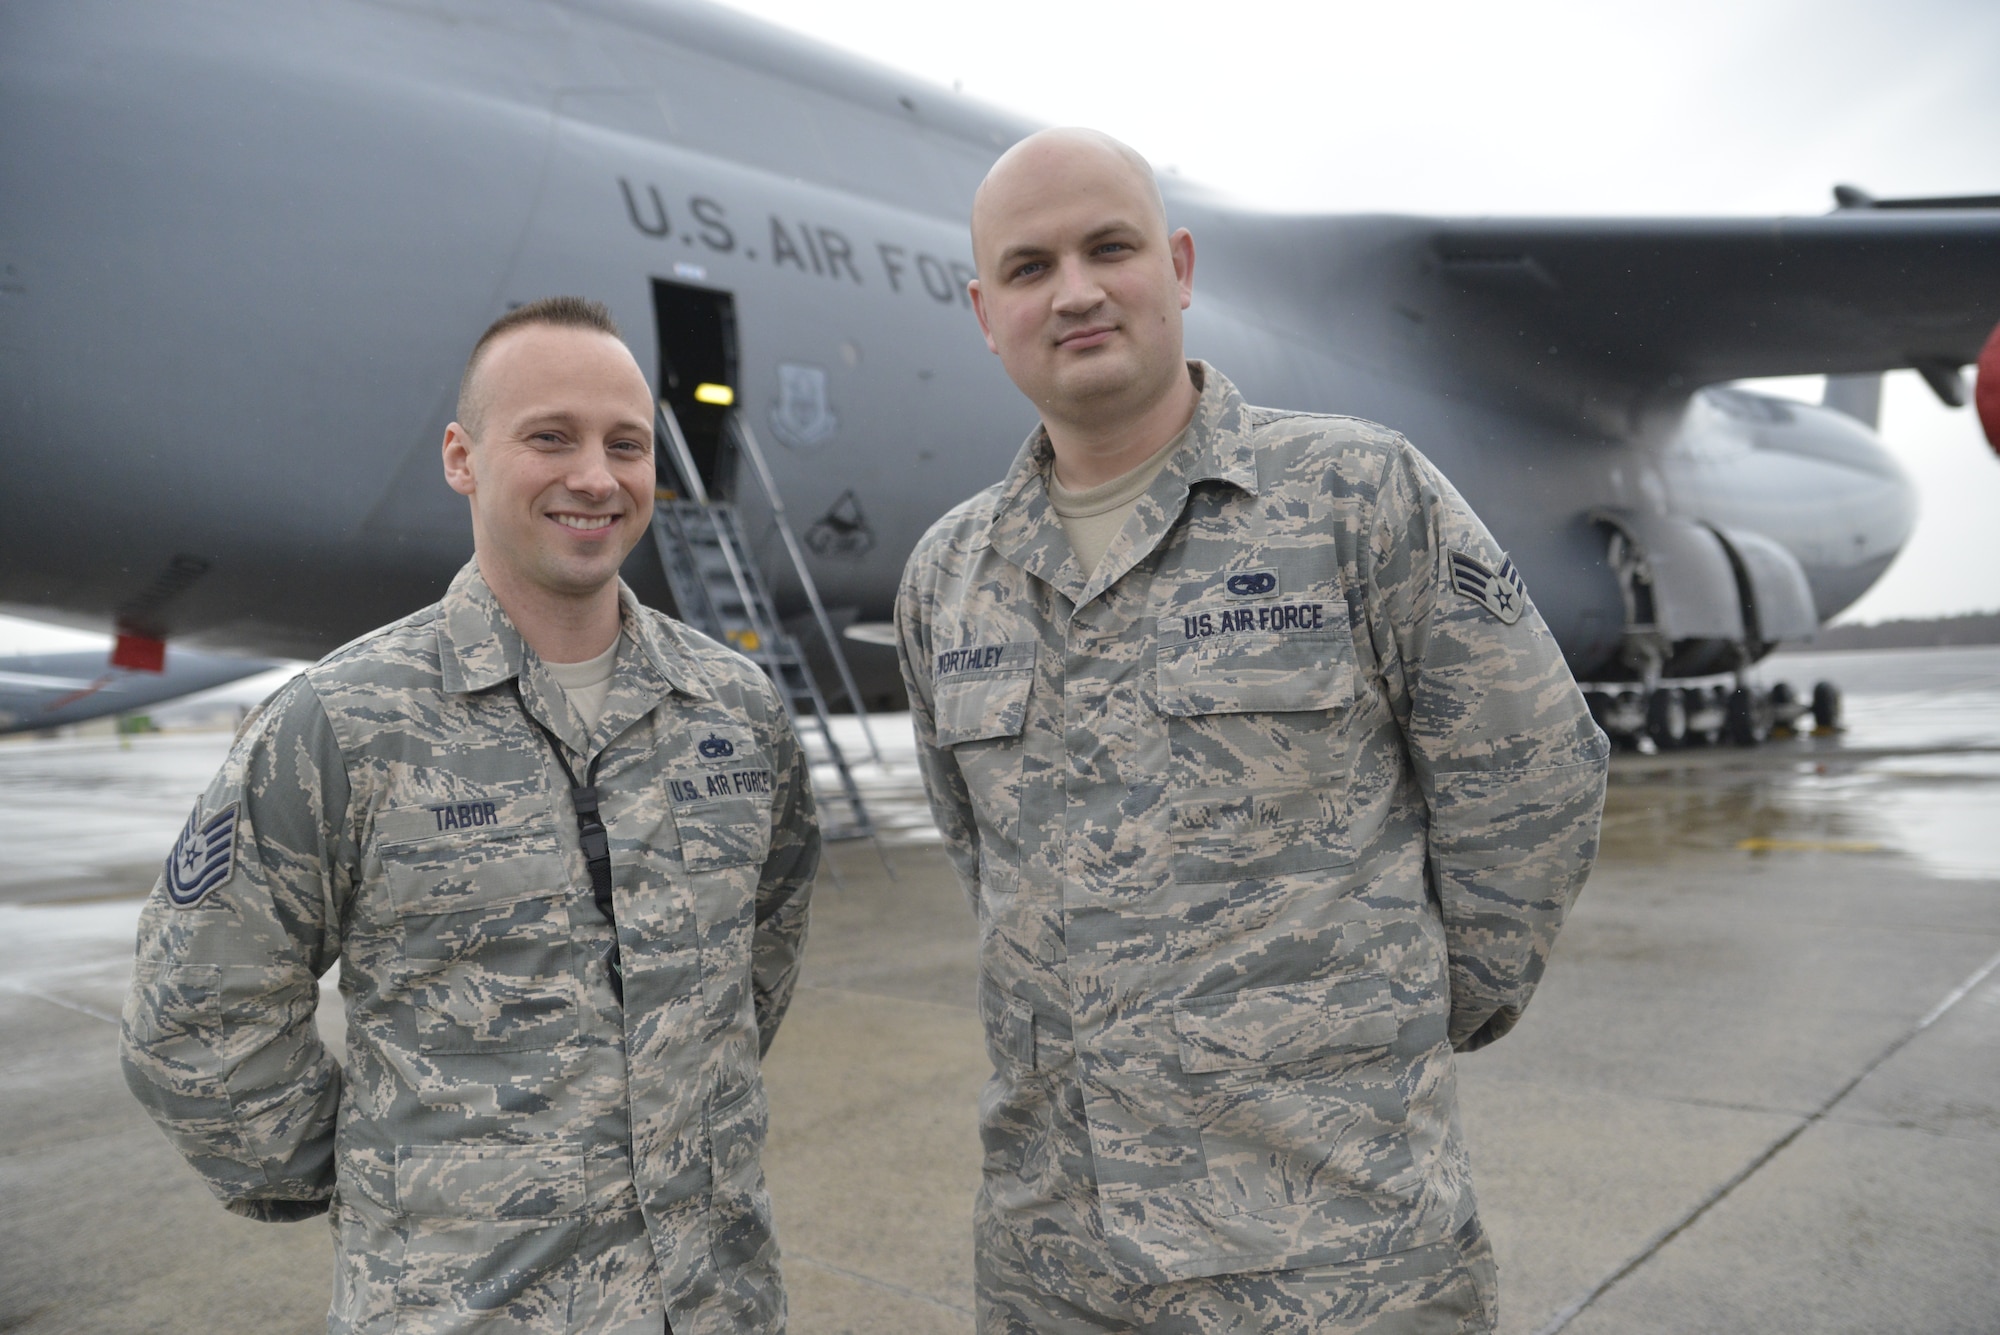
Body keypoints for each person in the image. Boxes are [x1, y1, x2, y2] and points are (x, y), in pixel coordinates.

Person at [894, 129, 1610, 1333]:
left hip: (1330, 1250)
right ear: (983, 310)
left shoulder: (1356, 496)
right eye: (1027, 268)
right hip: (1054, 1257)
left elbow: (1531, 779)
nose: (1072, 291)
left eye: (1106, 248)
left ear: (1176, 266)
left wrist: (1374, 1032)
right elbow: (988, 861)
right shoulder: (947, 576)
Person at [121, 296, 817, 1335]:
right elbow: (196, 1016)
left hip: (716, 1300)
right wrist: (386, 1172)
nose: (594, 476)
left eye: (625, 444)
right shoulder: (342, 722)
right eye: (549, 437)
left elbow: (757, 959)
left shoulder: (734, 710)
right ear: (461, 456)